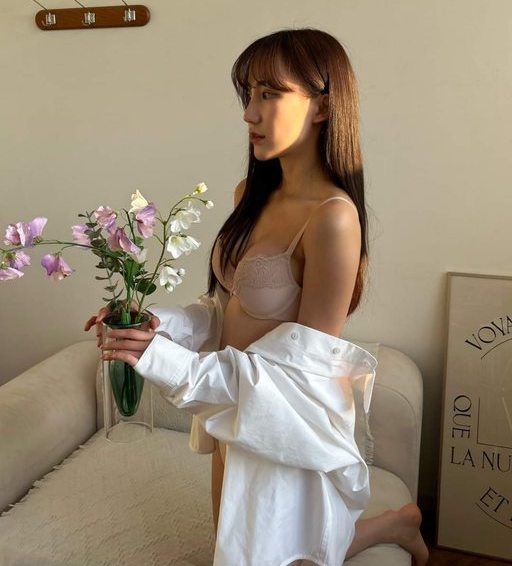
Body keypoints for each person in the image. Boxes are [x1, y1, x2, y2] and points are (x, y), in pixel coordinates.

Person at [85, 28, 428, 566]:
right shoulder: (249, 194)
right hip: (234, 415)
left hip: (282, 423)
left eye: (269, 93)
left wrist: (164, 362)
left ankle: (396, 525)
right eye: (248, 93)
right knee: (244, 549)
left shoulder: (333, 219)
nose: (249, 113)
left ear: (323, 106)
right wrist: (154, 323)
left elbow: (300, 374)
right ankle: (397, 523)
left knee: (275, 554)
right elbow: (226, 309)